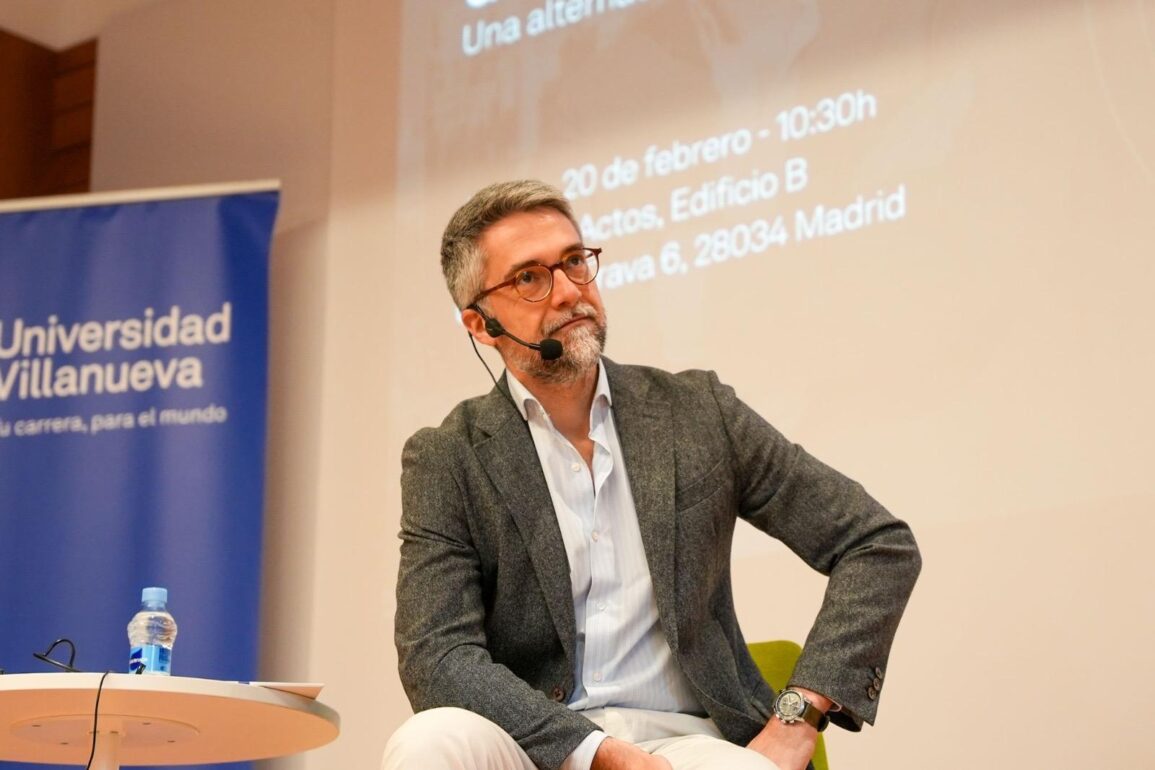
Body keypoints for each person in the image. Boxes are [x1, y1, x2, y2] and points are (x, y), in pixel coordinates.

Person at [384, 180, 920, 770]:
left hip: (691, 743)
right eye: (530, 278)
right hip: (537, 743)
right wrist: (595, 753)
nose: (567, 292)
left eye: (573, 263)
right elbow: (437, 655)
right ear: (481, 325)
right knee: (429, 740)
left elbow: (876, 543)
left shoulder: (697, 412)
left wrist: (799, 718)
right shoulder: (450, 457)